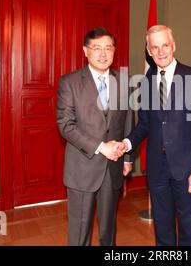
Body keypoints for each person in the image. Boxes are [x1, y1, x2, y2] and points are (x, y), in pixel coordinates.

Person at [120, 25, 191, 246]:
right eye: (155, 47)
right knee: (162, 230)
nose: (161, 51)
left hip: (188, 169)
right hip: (157, 170)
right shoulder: (145, 84)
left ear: (173, 46)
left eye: (165, 45)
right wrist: (126, 144)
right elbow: (144, 125)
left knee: (188, 232)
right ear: (149, 51)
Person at [56, 27, 134, 246]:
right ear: (85, 51)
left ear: (114, 51)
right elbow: (65, 125)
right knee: (80, 231)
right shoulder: (69, 82)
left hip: (113, 167)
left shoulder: (124, 82)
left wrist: (127, 157)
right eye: (96, 48)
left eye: (108, 48)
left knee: (108, 230)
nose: (103, 53)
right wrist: (101, 146)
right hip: (82, 168)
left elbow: (128, 120)